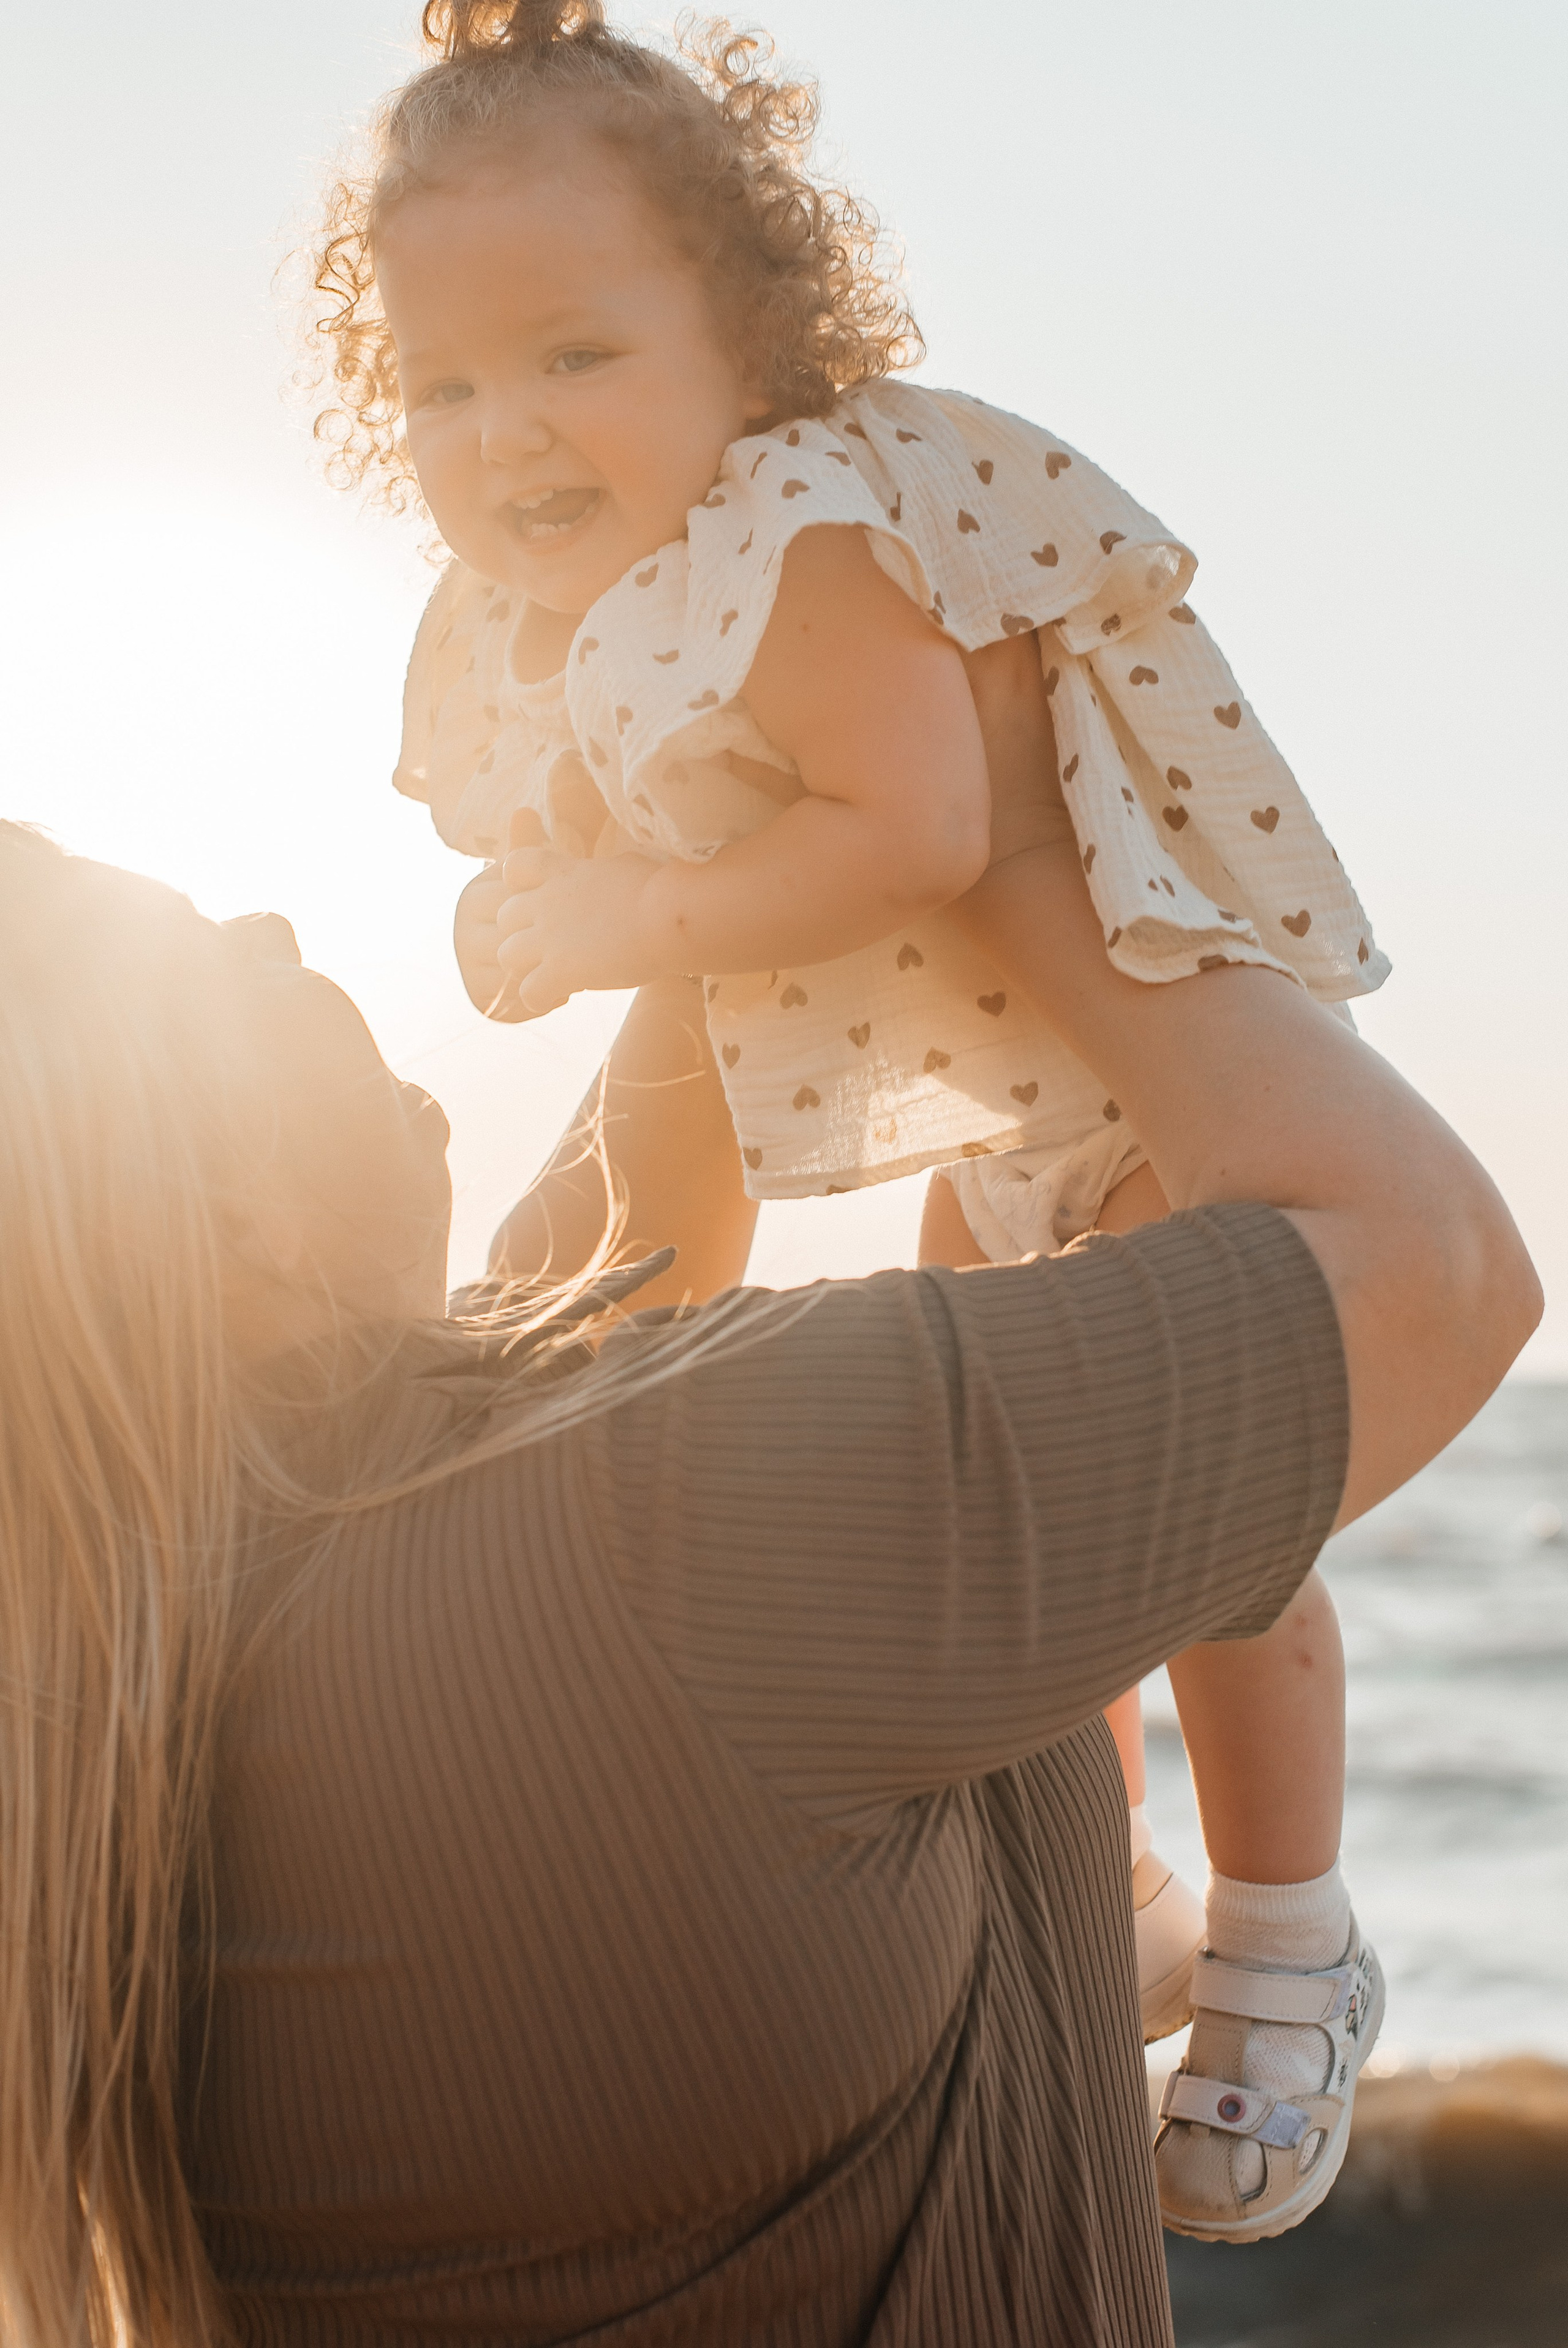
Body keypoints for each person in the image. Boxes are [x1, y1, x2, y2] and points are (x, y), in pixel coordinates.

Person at [312, 0, 1386, 2227]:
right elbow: (656, 988)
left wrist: (613, 914)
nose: (506, 429)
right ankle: (1114, 1881)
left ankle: (1291, 1942)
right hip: (994, 1103)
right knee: (1049, 1531)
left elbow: (916, 829)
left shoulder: (800, 532)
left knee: (1212, 1518)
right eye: (443, 383)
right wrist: (552, 934)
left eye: (575, 353)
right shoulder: (579, 606)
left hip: (1135, 1052)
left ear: (751, 336)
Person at [0, 813, 1537, 2348]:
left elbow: (610, 1257)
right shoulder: (640, 1515)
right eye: (216, 957)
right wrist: (997, 821)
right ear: (226, 1213)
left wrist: (736, 838)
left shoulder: (185, 1621)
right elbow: (1435, 1274)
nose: (271, 930)